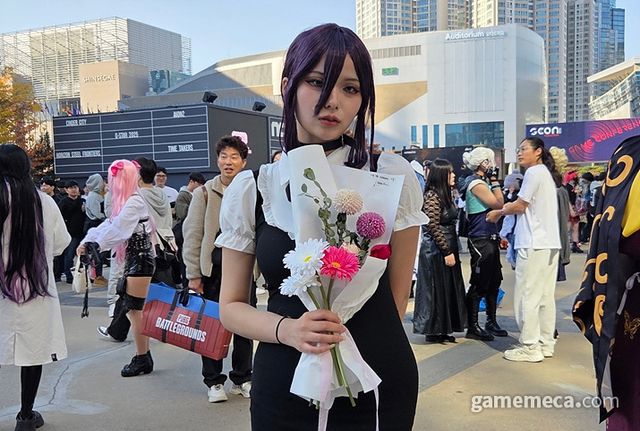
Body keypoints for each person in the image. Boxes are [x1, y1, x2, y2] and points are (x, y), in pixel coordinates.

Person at [215, 23, 426, 430]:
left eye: (350, 88)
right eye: (316, 82)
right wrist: (289, 330)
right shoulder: (255, 187)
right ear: (287, 86)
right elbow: (231, 307)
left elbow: (397, 300)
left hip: (378, 378)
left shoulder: (390, 176)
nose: (333, 101)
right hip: (286, 380)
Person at [0, 144, 71, 431]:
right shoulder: (43, 202)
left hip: (2, 289)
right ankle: (26, 416)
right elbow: (61, 242)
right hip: (34, 288)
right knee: (33, 352)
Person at [182, 136, 256, 403]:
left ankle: (242, 377)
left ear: (243, 162)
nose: (228, 162)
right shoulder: (204, 193)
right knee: (211, 325)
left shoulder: (252, 190)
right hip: (213, 270)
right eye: (224, 156)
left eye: (234, 157)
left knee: (245, 327)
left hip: (244, 269)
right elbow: (193, 234)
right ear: (217, 160)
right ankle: (213, 381)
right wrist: (193, 274)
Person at [78, 159, 156, 377]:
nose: (109, 183)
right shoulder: (129, 200)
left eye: (113, 179)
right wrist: (90, 240)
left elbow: (118, 229)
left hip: (140, 259)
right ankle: (143, 356)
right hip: (136, 258)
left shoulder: (134, 202)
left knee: (135, 310)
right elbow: (111, 224)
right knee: (133, 310)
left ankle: (142, 358)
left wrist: (94, 244)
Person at [489, 137, 561, 363]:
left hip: (532, 241)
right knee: (544, 296)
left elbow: (521, 205)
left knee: (527, 295)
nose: (519, 153)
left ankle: (530, 346)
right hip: (548, 242)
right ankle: (545, 343)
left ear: (538, 151)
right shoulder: (545, 173)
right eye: (518, 149)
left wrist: (499, 212)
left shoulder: (533, 172)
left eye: (523, 149)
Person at [413, 158, 466, 343]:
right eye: (450, 172)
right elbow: (433, 226)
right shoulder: (432, 196)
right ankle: (433, 329)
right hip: (436, 250)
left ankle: (443, 328)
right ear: (442, 175)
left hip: (446, 246)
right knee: (434, 289)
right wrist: (446, 251)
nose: (454, 175)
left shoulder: (444, 194)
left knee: (446, 288)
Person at [460, 147, 506, 341]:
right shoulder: (476, 183)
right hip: (480, 238)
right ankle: (472, 325)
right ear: (483, 162)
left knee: (494, 281)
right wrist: (494, 181)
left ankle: (490, 321)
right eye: (490, 160)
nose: (493, 164)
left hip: (489, 236)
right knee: (480, 281)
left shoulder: (481, 182)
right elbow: (499, 204)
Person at [57, 180, 85, 284]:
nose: (74, 190)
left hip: (82, 232)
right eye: (71, 188)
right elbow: (60, 218)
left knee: (82, 255)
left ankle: (81, 275)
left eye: (75, 187)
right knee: (69, 255)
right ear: (66, 190)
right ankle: (69, 276)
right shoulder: (63, 202)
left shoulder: (83, 201)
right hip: (70, 233)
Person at [83, 173, 108, 286]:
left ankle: (97, 275)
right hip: (95, 225)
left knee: (97, 252)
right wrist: (106, 217)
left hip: (96, 224)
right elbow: (96, 213)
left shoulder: (96, 195)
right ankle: (96, 276)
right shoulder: (93, 196)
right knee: (97, 253)